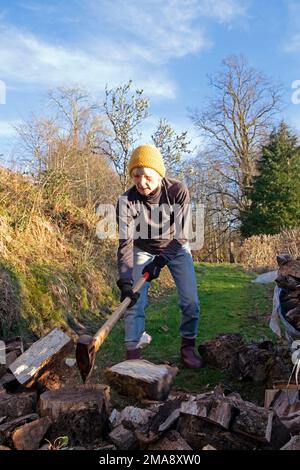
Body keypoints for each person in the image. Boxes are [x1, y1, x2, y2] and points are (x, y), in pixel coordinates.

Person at [116, 144, 203, 368]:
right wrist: (125, 282)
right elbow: (125, 244)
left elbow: (183, 235)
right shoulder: (126, 201)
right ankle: (132, 356)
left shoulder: (177, 191)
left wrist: (161, 260)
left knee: (190, 301)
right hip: (142, 249)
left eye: (147, 176)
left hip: (175, 248)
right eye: (136, 176)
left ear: (159, 175)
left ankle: (187, 346)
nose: (141, 182)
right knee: (134, 302)